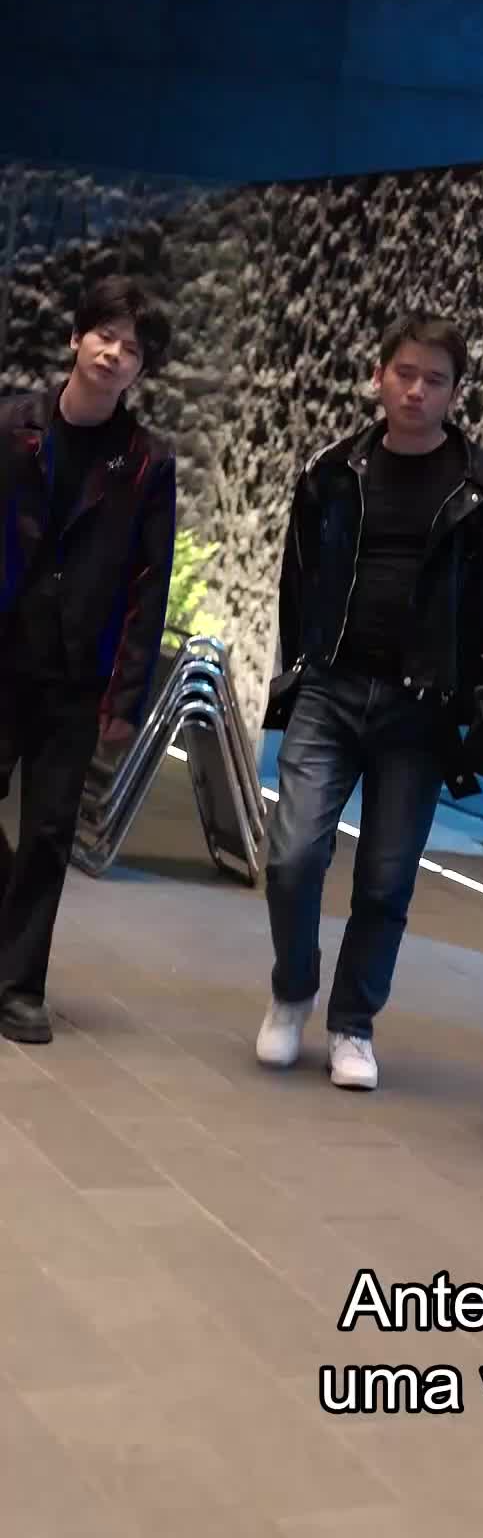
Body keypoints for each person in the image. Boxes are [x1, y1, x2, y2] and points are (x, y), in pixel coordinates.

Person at [257, 310, 483, 1089]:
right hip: (331, 687)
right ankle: (292, 991)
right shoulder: (330, 472)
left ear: (456, 392)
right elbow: (298, 579)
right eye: (404, 374)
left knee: (385, 878)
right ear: (379, 377)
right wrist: (302, 664)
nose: (416, 391)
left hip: (422, 708)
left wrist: (475, 711)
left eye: (434, 380)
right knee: (292, 855)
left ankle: (353, 1024)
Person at [0, 275, 175, 1044]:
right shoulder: (12, 427)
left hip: (77, 674)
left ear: (141, 369)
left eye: (131, 349)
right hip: (5, 651)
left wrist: (127, 696)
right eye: (105, 335)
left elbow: (150, 579)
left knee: (49, 830)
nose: (113, 354)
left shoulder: (147, 461)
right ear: (76, 338)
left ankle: (18, 986)